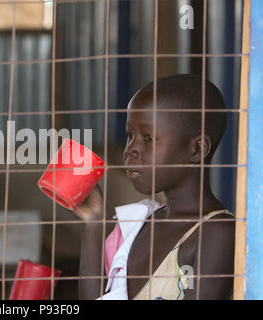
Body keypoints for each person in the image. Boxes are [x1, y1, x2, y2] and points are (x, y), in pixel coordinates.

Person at [73, 74, 235, 300]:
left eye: (148, 138)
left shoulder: (217, 232)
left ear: (197, 149)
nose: (131, 150)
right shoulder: (140, 224)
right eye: (130, 135)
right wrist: (93, 224)